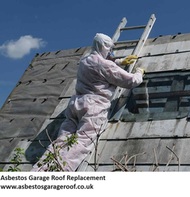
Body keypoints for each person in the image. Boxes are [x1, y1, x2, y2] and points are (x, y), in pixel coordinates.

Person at [31, 33, 144, 171]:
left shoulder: (85, 61)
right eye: (109, 49)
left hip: (76, 104)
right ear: (104, 47)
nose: (110, 52)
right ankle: (59, 173)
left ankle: (40, 171)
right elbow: (130, 81)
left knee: (61, 140)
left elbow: (99, 65)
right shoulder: (105, 65)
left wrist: (120, 61)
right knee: (82, 142)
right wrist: (139, 73)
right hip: (93, 107)